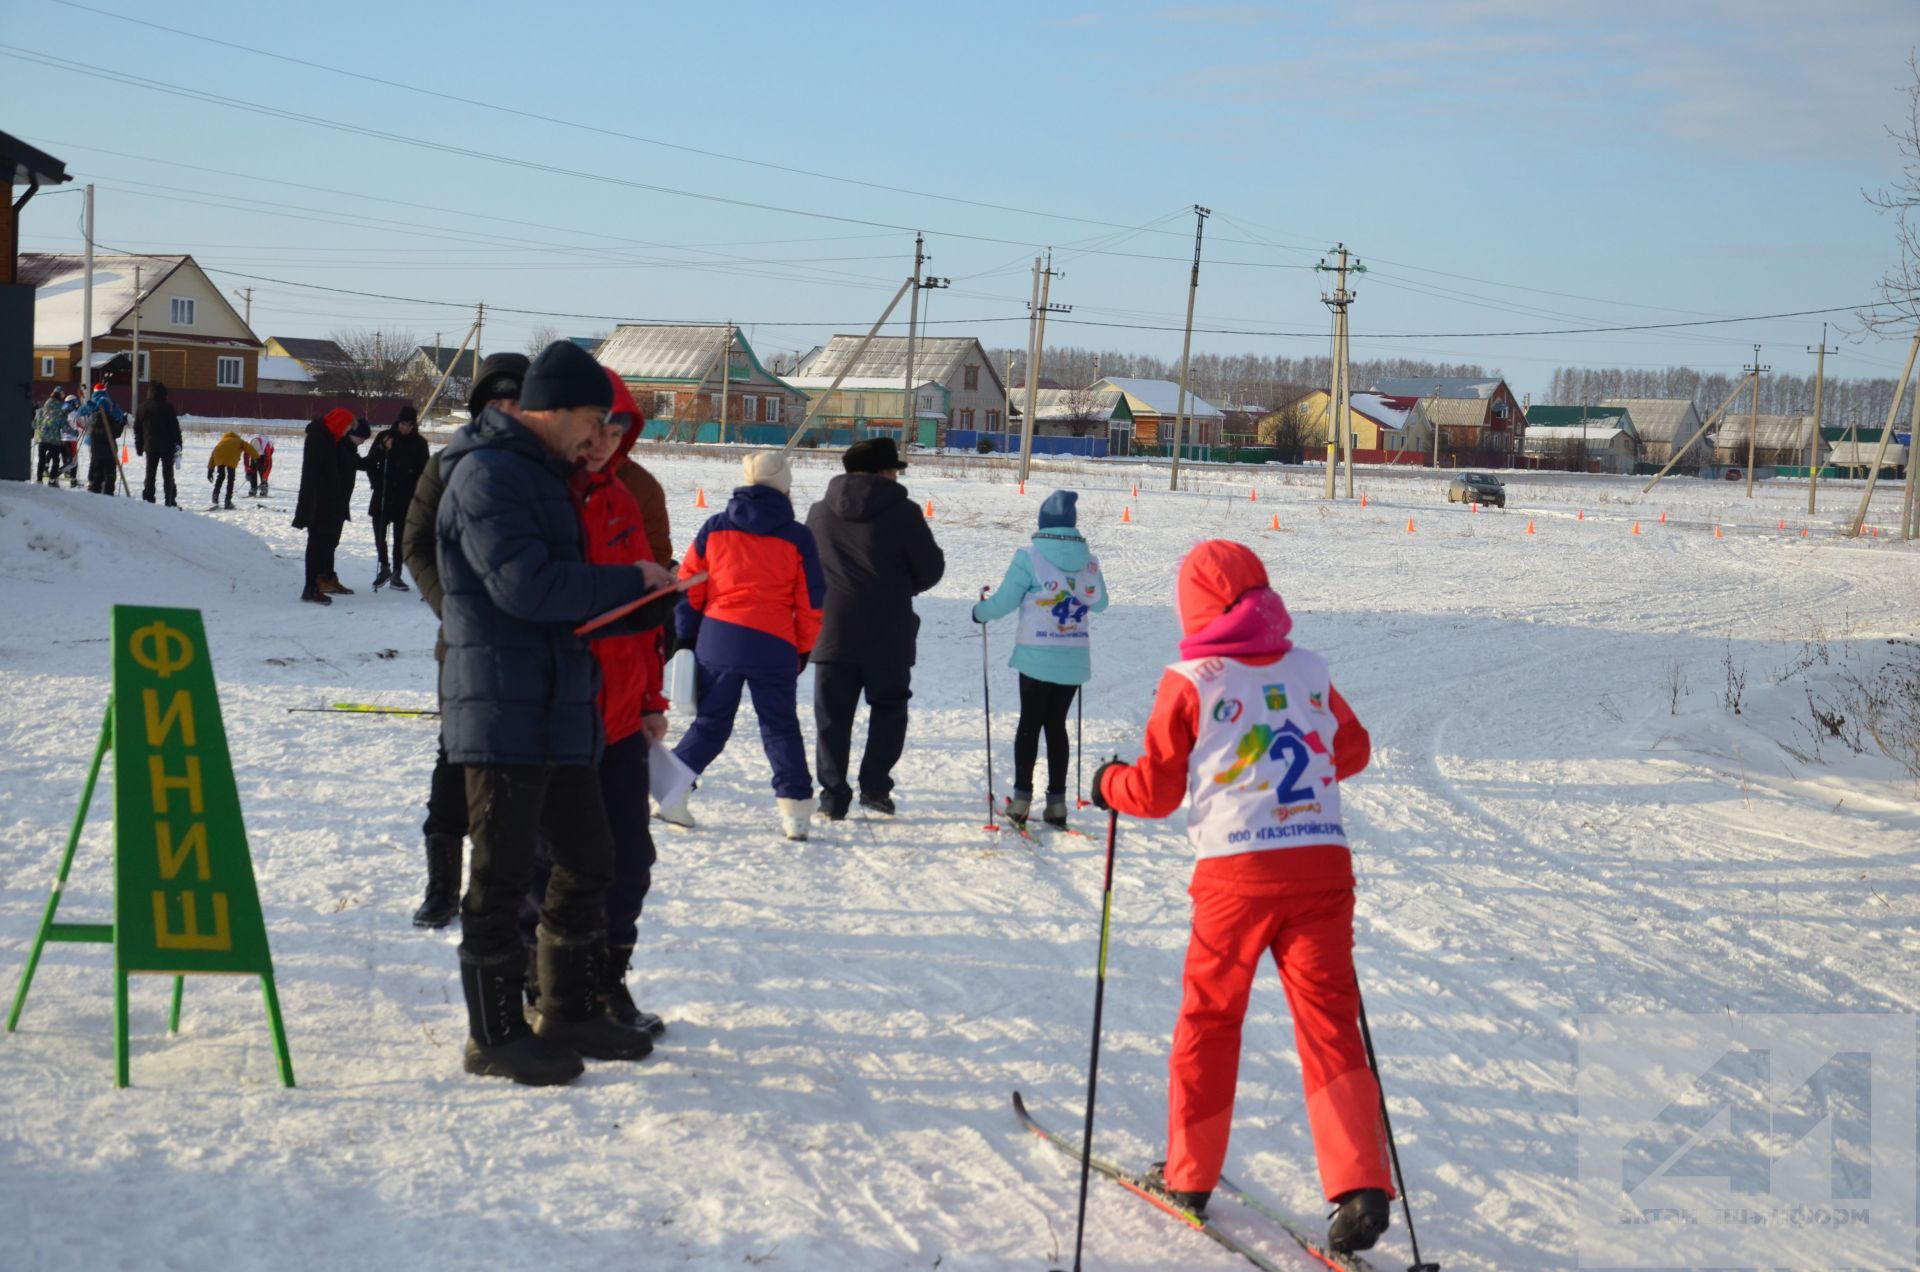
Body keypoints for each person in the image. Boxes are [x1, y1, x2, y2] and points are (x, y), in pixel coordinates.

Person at [1089, 540, 1392, 1255]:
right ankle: (1361, 1185)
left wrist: (1108, 784)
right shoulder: (1308, 667)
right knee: (1329, 1026)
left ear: (1193, 604)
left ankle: (1190, 1174)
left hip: (1237, 875)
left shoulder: (1191, 678)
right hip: (1321, 865)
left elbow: (1157, 792)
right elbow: (1350, 749)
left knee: (1210, 1021)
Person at [436, 339, 674, 1085]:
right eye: (593, 420)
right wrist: (624, 583)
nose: (598, 438)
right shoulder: (485, 473)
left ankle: (569, 1007)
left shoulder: (542, 473)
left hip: (558, 702)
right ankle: (495, 1034)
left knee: (590, 859)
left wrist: (647, 604)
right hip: (504, 704)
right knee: (503, 874)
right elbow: (527, 589)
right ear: (562, 409)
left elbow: (568, 597)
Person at [521, 368, 669, 1035]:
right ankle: (543, 983)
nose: (607, 442)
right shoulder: (543, 494)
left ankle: (607, 982)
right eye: (599, 427)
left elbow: (642, 620)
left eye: (620, 430)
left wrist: (650, 698)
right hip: (558, 712)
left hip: (618, 716)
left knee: (629, 860)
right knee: (551, 864)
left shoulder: (624, 498)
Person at [404, 352, 528, 929]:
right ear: (479, 407)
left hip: (532, 644)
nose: (507, 411)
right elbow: (417, 543)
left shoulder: (548, 467)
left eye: (518, 401)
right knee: (455, 759)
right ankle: (440, 886)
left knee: (520, 773)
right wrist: (451, 606)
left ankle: (500, 886)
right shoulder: (447, 464)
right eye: (496, 402)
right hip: (463, 642)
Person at [665, 450, 823, 841]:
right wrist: (803, 648)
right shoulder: (798, 536)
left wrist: (686, 637)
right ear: (785, 487)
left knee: (710, 723)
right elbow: (812, 601)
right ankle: (796, 811)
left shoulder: (714, 528)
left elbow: (689, 586)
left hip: (718, 639)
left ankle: (668, 791)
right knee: (780, 727)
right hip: (774, 643)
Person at [804, 436, 944, 820]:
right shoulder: (904, 512)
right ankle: (875, 789)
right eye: (895, 471)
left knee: (832, 718)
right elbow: (931, 569)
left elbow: (806, 570)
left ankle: (832, 798)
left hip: (832, 629)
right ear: (885, 472)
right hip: (888, 630)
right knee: (889, 709)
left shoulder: (818, 513)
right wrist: (898, 587)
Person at [972, 490, 1108, 828]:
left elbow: (1004, 601)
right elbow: (1101, 602)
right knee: (1056, 726)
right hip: (1073, 657)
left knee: (1030, 725)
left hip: (1036, 655)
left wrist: (980, 612)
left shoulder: (1030, 557)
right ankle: (1057, 804)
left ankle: (1020, 801)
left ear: (1043, 523)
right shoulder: (1089, 560)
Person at [292, 408, 356, 604]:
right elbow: (310, 474)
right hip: (318, 502)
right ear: (338, 423)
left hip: (330, 503)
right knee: (316, 545)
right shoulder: (318, 438)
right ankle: (310, 587)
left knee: (326, 544)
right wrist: (307, 506)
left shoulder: (332, 438)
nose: (346, 432)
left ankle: (322, 582)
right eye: (346, 428)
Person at [367, 405, 430, 591]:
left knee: (401, 537)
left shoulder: (420, 443)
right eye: (403, 423)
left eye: (410, 424)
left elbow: (424, 472)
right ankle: (384, 566)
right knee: (379, 531)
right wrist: (376, 482)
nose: (406, 428)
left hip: (406, 498)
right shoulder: (385, 437)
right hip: (383, 493)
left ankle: (397, 573)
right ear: (398, 421)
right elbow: (371, 462)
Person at [134, 381, 184, 507]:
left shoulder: (142, 407)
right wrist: (178, 443)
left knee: (150, 474)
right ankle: (170, 500)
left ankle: (148, 499)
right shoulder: (168, 407)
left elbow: (137, 429)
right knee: (168, 475)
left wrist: (139, 447)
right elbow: (175, 427)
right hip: (167, 447)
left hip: (150, 446)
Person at [82, 382, 127, 496]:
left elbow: (81, 412)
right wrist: (122, 422)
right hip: (109, 444)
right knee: (109, 468)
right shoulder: (110, 404)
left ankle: (94, 484)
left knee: (96, 464)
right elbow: (118, 424)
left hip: (94, 443)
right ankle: (108, 488)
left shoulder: (92, 406)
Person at [206, 430, 260, 510]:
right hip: (231, 459)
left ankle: (215, 499)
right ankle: (228, 502)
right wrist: (256, 457)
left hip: (219, 458)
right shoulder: (239, 441)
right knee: (230, 479)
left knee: (220, 476)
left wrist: (210, 470)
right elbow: (249, 448)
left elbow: (213, 453)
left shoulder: (222, 441)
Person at [33, 391, 67, 485]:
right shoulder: (60, 412)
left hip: (42, 439)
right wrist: (75, 432)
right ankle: (52, 480)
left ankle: (39, 479)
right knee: (56, 460)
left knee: (41, 459)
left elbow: (34, 424)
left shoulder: (42, 410)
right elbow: (65, 427)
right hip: (54, 440)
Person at [243, 434, 275, 498]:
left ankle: (264, 488)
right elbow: (246, 457)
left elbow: (268, 464)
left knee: (263, 471)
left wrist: (265, 477)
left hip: (264, 457)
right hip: (254, 455)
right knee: (252, 471)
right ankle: (253, 488)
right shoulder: (249, 444)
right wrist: (247, 471)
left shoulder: (266, 445)